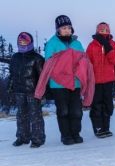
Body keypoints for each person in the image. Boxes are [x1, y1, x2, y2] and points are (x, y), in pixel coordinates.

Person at [42, 15, 89, 145]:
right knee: (63, 110)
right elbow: (50, 62)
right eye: (64, 28)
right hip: (58, 83)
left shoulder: (77, 43)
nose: (67, 30)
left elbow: (83, 61)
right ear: (58, 30)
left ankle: (75, 133)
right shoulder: (52, 43)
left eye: (69, 27)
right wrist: (67, 60)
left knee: (76, 110)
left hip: (75, 82)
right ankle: (66, 135)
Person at [7, 32, 45, 148]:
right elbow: (12, 75)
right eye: (20, 42)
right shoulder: (15, 57)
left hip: (33, 92)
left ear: (30, 43)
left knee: (35, 116)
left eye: (25, 42)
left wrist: (42, 92)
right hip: (19, 91)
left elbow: (42, 78)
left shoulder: (37, 58)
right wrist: (10, 89)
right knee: (21, 115)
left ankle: (37, 139)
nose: (22, 44)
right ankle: (22, 137)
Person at [86, 22, 115, 138]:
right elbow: (87, 63)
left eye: (106, 30)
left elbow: (114, 59)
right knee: (97, 104)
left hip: (108, 80)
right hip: (95, 81)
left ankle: (106, 128)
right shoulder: (92, 45)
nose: (104, 32)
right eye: (102, 30)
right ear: (97, 32)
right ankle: (98, 128)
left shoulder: (113, 44)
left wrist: (107, 45)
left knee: (107, 104)